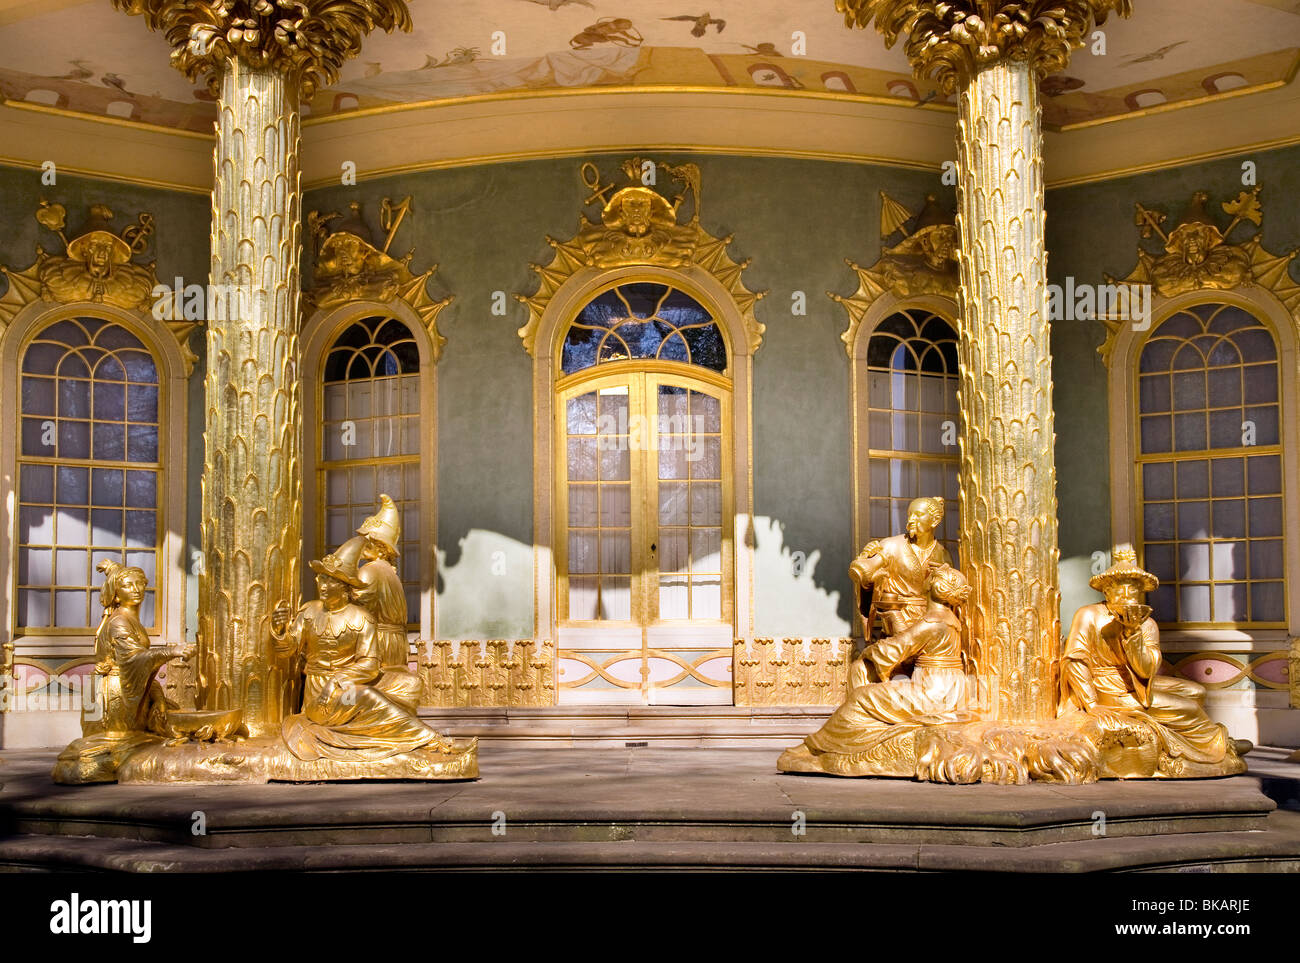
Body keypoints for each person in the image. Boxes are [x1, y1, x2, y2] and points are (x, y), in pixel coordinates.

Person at [1060, 545, 1249, 775]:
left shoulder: (1146, 624)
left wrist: (1132, 635)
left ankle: (1202, 741)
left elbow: (1147, 670)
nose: (1128, 597)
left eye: (1134, 592)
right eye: (1121, 590)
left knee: (1196, 692)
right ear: (1107, 592)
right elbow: (1075, 660)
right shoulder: (1089, 615)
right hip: (1105, 688)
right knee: (1187, 708)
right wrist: (1091, 704)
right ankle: (1219, 746)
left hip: (1136, 683)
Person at [778, 564, 974, 776]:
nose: (925, 579)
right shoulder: (948, 619)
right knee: (871, 695)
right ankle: (840, 746)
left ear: (935, 586)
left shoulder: (932, 622)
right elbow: (911, 645)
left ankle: (817, 747)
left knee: (861, 698)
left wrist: (870, 652)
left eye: (930, 577)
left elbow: (896, 648)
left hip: (933, 692)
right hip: (947, 688)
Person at [271, 538, 450, 762]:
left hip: (343, 686)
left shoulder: (361, 618)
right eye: (321, 579)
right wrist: (279, 630)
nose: (323, 585)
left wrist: (338, 680)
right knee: (367, 696)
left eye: (330, 580)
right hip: (321, 698)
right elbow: (288, 649)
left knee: (410, 684)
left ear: (345, 586)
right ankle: (427, 738)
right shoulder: (309, 612)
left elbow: (369, 665)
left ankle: (396, 735)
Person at [848, 495, 951, 688]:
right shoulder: (891, 546)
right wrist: (865, 561)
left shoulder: (943, 554)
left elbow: (949, 596)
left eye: (918, 515)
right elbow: (863, 572)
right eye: (910, 514)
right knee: (872, 672)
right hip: (896, 620)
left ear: (935, 520)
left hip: (928, 627)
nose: (911, 519)